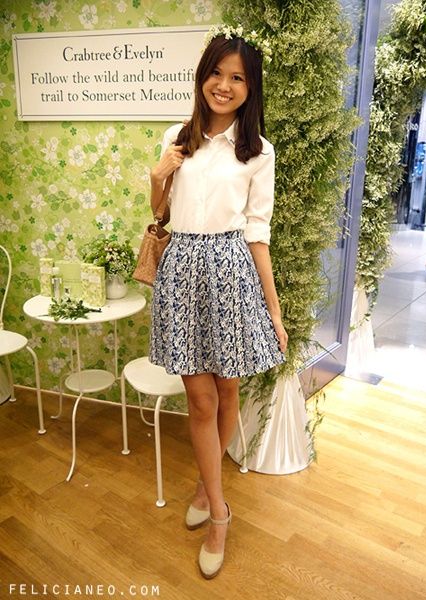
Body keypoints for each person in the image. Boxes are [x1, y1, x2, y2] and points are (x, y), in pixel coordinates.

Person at [149, 24, 288, 580]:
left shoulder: (258, 152)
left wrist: (274, 311)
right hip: (182, 270)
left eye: (237, 78)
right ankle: (220, 514)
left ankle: (209, 491)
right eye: (216, 73)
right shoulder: (176, 137)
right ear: (202, 76)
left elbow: (258, 234)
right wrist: (157, 176)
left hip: (232, 272)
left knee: (227, 389)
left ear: (251, 88)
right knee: (201, 400)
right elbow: (160, 212)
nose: (224, 85)